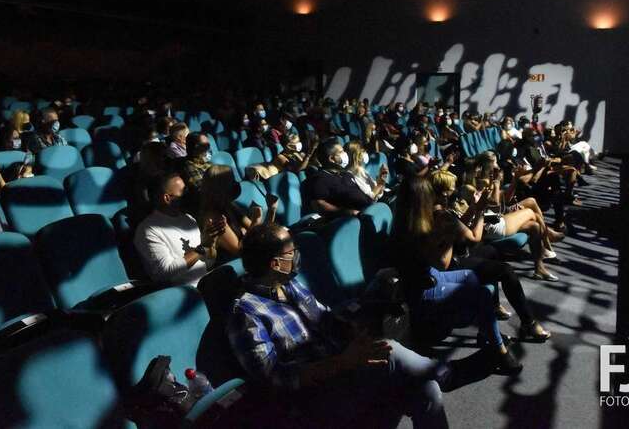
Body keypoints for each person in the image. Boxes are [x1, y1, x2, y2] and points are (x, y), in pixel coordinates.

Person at [227, 223, 449, 428]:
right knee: (391, 352)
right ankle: (446, 372)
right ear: (275, 263)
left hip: (343, 369)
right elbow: (274, 377)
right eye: (292, 252)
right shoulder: (245, 313)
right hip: (312, 398)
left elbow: (325, 318)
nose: (296, 255)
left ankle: (438, 373)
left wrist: (354, 333)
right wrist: (343, 362)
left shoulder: (288, 284)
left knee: (427, 390)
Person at [391, 176, 523, 375]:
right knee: (482, 294)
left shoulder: (406, 220)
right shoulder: (416, 230)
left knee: (471, 276)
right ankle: (500, 352)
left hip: (429, 276)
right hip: (421, 289)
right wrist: (448, 234)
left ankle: (486, 332)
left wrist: (451, 225)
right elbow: (442, 263)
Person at [428, 170, 551, 341]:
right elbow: (474, 238)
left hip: (456, 254)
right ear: (443, 192)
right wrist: (480, 211)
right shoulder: (442, 215)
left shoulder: (436, 209)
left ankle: (493, 309)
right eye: (452, 188)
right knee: (506, 271)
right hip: (451, 265)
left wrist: (474, 207)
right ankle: (528, 323)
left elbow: (460, 225)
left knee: (492, 251)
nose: (455, 191)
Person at [133, 170, 226, 286]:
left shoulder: (189, 219)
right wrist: (201, 248)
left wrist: (212, 241)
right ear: (167, 198)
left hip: (206, 284)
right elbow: (164, 272)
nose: (188, 194)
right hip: (185, 292)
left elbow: (208, 263)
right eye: (183, 191)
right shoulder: (149, 230)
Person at [197, 165, 277, 259]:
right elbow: (239, 251)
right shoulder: (214, 217)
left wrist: (272, 210)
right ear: (221, 188)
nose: (236, 183)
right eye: (232, 181)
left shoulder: (229, 206)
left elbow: (259, 233)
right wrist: (256, 221)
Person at [301, 138, 373, 217]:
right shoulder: (320, 179)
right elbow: (319, 204)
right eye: (341, 152)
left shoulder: (346, 174)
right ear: (332, 159)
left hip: (367, 210)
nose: (345, 154)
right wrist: (348, 212)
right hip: (349, 219)